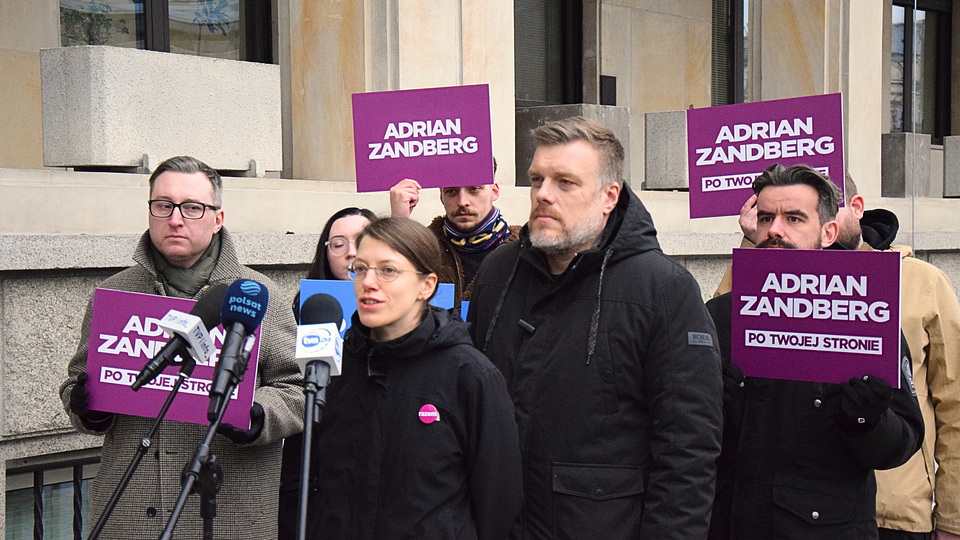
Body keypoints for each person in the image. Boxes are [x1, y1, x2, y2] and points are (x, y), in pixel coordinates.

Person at [468, 116, 723, 540]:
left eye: (565, 182)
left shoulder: (664, 290)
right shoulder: (498, 272)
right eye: (536, 180)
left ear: (609, 196)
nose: (543, 195)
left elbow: (687, 451)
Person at [58, 156, 303, 539]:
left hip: (226, 512)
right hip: (132, 514)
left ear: (218, 218)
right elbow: (79, 382)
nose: (175, 219)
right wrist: (86, 407)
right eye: (163, 205)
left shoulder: (258, 295)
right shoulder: (114, 294)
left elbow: (298, 390)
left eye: (192, 207)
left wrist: (254, 415)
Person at [712, 174, 960, 539]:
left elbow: (901, 444)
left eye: (794, 218)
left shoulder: (867, 318)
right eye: (765, 218)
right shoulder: (719, 315)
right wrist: (711, 405)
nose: (775, 230)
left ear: (828, 233)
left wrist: (868, 419)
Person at [310, 217, 523, 540]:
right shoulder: (333, 364)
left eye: (388, 271)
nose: (369, 282)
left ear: (427, 285)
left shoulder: (469, 375)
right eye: (361, 268)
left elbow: (499, 502)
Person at [279, 206, 376, 540]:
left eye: (361, 240)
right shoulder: (304, 311)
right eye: (338, 244)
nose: (350, 252)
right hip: (315, 467)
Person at [389, 158, 520, 302]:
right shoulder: (422, 250)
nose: (462, 201)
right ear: (441, 196)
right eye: (451, 191)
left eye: (474, 189)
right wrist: (398, 221)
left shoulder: (524, 250)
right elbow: (389, 293)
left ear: (494, 192)